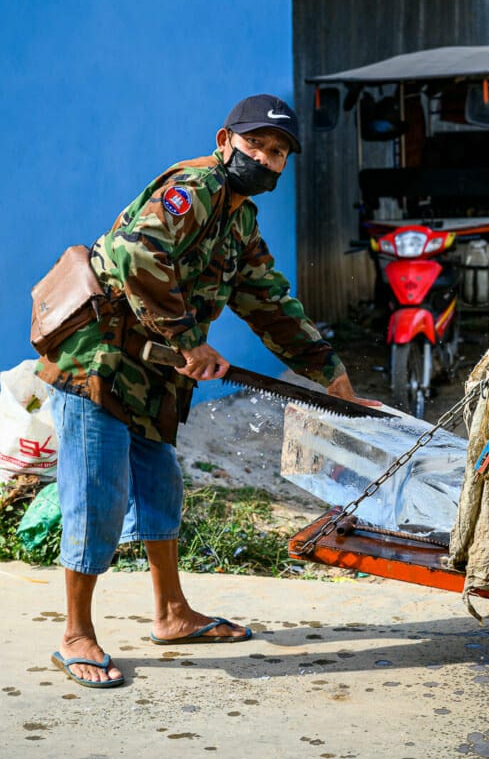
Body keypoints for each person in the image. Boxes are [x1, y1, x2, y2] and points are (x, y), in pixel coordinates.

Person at [36, 93, 379, 688]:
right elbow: (133, 252)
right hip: (97, 361)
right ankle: (75, 634)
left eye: (278, 153)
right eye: (256, 145)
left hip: (150, 374)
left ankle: (170, 614)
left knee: (161, 483)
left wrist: (334, 379)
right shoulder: (191, 190)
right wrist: (191, 339)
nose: (267, 159)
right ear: (226, 142)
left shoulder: (240, 219)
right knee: (97, 495)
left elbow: (268, 302)